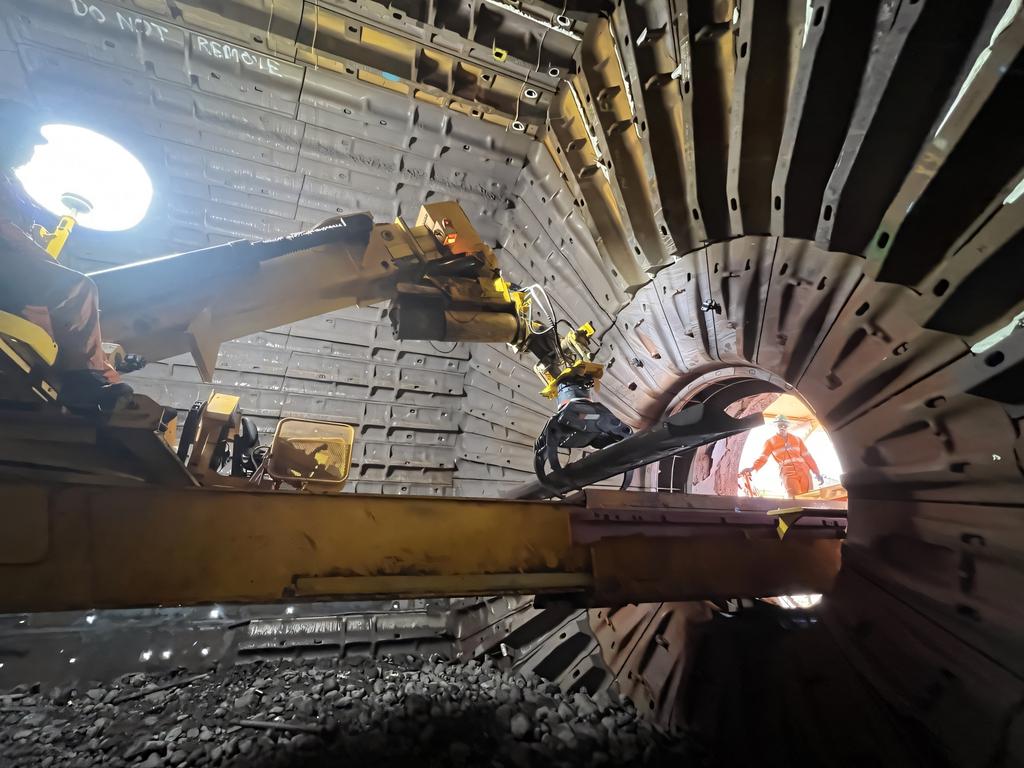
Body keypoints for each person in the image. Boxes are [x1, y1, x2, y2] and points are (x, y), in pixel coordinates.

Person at [0, 99, 131, 411]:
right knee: (78, 288)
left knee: (51, 318)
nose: (31, 152)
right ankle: (86, 383)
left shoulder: (11, 181)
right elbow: (8, 230)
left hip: (12, 267)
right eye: (29, 142)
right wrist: (41, 258)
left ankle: (92, 374)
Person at [741, 414, 822, 497]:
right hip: (788, 473)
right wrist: (752, 468)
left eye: (785, 425)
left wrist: (817, 473)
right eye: (779, 425)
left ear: (788, 426)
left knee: (809, 497)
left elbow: (807, 457)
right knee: (795, 499)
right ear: (776, 426)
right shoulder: (770, 442)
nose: (782, 427)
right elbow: (763, 457)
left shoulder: (797, 439)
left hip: (804, 471)